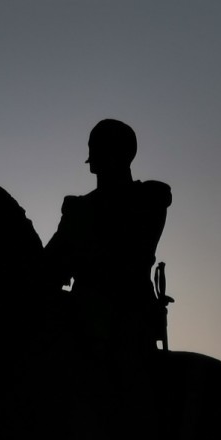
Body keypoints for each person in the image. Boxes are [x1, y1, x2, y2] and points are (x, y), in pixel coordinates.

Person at [43, 119, 172, 354]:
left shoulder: (148, 198)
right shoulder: (80, 208)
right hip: (101, 317)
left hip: (120, 322)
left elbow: (128, 253)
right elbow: (50, 268)